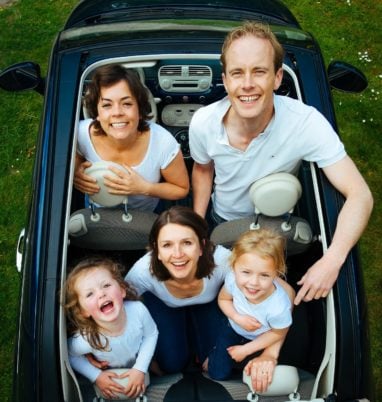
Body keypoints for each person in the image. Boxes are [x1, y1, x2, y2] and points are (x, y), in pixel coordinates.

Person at [189, 21, 373, 307]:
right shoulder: (202, 123)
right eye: (238, 73)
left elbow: (360, 194)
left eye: (259, 71)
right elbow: (202, 169)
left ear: (276, 78)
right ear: (225, 80)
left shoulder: (306, 123)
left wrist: (332, 261)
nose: (247, 83)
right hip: (221, 220)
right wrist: (198, 223)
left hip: (274, 228)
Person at [124, 206, 294, 392]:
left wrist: (270, 353)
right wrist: (139, 357)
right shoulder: (142, 271)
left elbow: (287, 293)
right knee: (171, 365)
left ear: (201, 246)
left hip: (210, 303)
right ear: (157, 250)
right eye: (167, 245)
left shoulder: (221, 260)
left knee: (213, 362)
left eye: (187, 243)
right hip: (164, 305)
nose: (178, 254)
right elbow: (123, 309)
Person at [74, 63, 189, 212]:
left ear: (140, 109)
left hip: (145, 216)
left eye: (127, 103)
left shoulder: (162, 143)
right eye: (107, 105)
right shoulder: (79, 134)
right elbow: (65, 167)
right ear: (97, 111)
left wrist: (144, 188)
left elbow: (181, 189)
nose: (117, 112)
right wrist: (75, 175)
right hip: (96, 212)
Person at [65, 257, 158, 400]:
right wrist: (96, 376)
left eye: (106, 285)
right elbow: (70, 354)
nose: (101, 294)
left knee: (157, 372)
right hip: (111, 373)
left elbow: (151, 335)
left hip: (138, 359)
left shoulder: (138, 310)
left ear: (122, 290)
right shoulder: (87, 338)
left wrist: (140, 367)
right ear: (83, 311)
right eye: (90, 294)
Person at [206, 229, 292, 381]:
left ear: (277, 273)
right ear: (234, 267)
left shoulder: (279, 306)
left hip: (262, 337)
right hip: (232, 327)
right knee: (217, 373)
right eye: (246, 272)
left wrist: (246, 350)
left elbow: (278, 333)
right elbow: (223, 299)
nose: (253, 283)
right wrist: (237, 317)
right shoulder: (232, 279)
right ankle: (212, 354)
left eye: (264, 275)